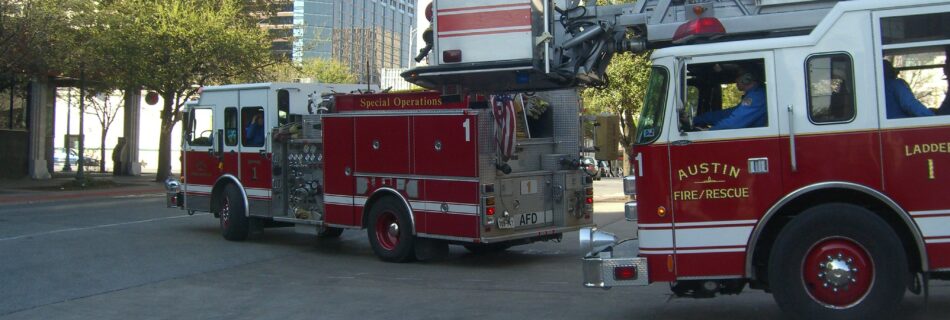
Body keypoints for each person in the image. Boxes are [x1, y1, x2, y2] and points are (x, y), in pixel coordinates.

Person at [692, 72, 767, 130]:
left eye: (738, 76)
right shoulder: (754, 94)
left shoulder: (757, 97)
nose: (735, 80)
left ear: (746, 79)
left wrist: (709, 131)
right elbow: (728, 114)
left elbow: (735, 122)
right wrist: (697, 119)